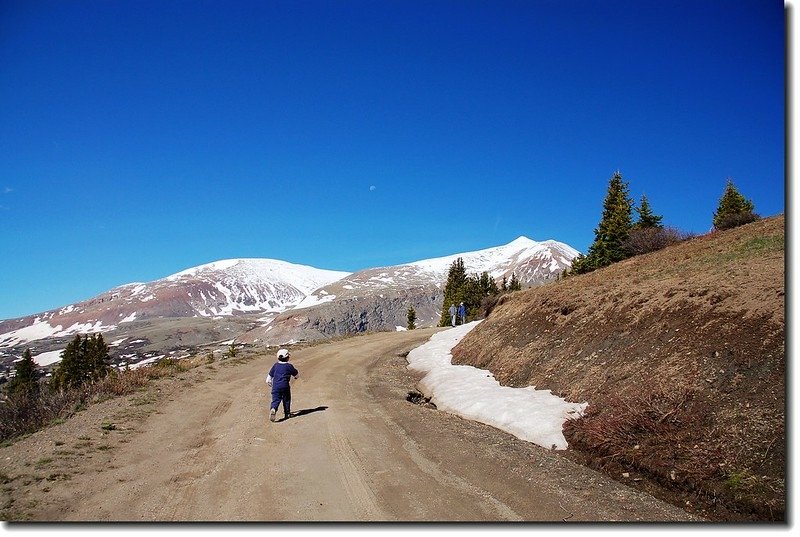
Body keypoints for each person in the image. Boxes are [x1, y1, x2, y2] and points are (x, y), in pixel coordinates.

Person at [266, 348, 299, 422]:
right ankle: (287, 413)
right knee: (286, 399)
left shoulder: (275, 365)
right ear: (287, 358)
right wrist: (296, 377)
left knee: (276, 399)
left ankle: (273, 408)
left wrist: (269, 382)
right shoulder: (289, 366)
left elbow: (269, 377)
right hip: (285, 386)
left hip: (276, 386)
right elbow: (296, 374)